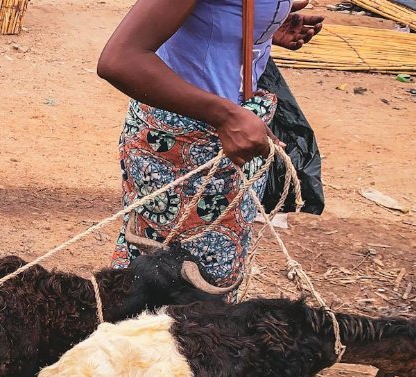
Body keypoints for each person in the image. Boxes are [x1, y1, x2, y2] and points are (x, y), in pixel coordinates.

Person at [97, 0, 322, 286]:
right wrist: (225, 116)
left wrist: (256, 31)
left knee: (207, 277)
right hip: (183, 145)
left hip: (228, 138)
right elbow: (120, 60)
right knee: (166, 279)